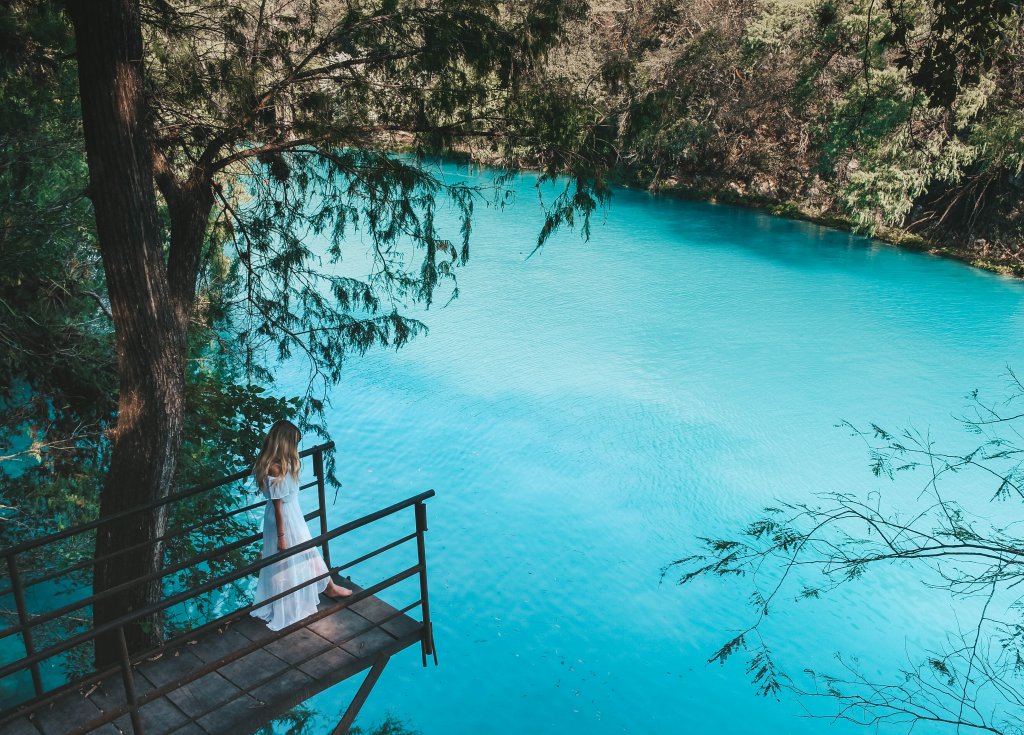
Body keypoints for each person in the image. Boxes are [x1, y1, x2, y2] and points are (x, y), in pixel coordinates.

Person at [251, 419, 351, 631]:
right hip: (285, 520)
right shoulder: (276, 469)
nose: (296, 449)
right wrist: (282, 536)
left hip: (289, 515)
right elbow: (278, 506)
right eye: (294, 444)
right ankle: (293, 602)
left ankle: (328, 587)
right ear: (286, 444)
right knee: (295, 557)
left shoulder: (277, 463)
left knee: (308, 553)